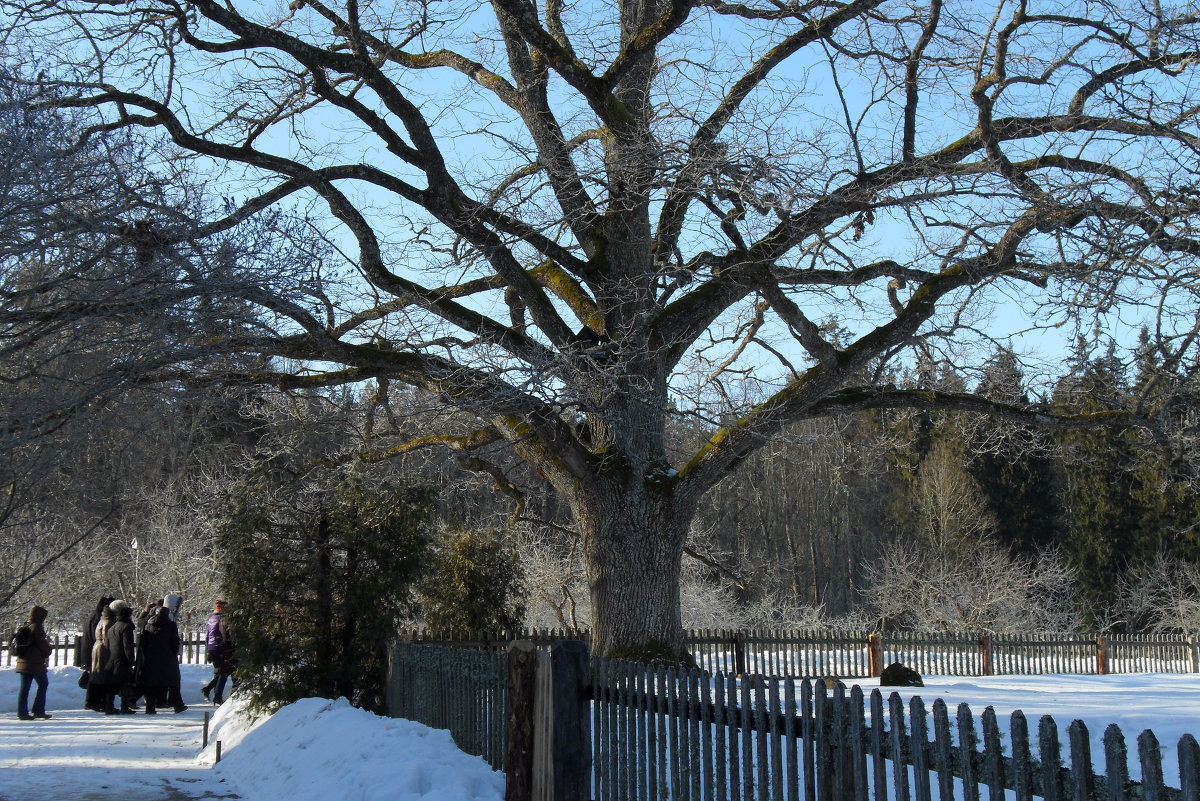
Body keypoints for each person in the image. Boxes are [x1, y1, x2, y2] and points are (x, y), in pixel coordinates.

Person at [136, 606, 187, 714]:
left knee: (151, 683)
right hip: (168, 659)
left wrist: (146, 655)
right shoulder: (171, 625)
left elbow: (143, 643)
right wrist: (172, 654)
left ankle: (150, 708)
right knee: (173, 682)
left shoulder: (148, 625)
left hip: (151, 659)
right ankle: (178, 705)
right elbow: (175, 643)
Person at [14, 605, 52, 721]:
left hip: (22, 662)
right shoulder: (37, 627)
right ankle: (38, 710)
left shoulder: (25, 625)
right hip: (34, 663)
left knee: (24, 688)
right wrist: (48, 651)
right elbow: (42, 645)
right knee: (43, 684)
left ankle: (22, 712)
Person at [78, 596, 115, 711]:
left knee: (94, 677)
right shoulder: (98, 618)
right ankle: (94, 701)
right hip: (94, 651)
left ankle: (92, 702)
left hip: (90, 649)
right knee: (97, 677)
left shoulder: (93, 615)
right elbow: (98, 635)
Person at [102, 600, 137, 714]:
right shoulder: (127, 627)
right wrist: (131, 659)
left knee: (112, 684)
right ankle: (124, 706)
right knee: (125, 683)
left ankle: (109, 706)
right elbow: (128, 646)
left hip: (112, 658)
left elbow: (107, 644)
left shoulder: (112, 627)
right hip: (122, 659)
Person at [200, 600, 234, 704]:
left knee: (220, 671)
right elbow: (226, 634)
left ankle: (211, 691)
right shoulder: (224, 619)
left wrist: (208, 649)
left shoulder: (211, 619)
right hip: (221, 648)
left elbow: (207, 635)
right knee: (225, 671)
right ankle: (216, 695)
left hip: (212, 648)